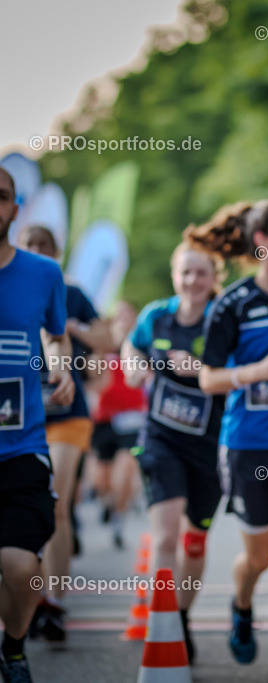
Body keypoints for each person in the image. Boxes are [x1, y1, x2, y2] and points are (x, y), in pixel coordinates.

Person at [193, 199, 268, 683]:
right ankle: (241, 602)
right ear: (261, 241)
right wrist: (255, 373)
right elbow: (208, 380)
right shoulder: (234, 304)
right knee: (258, 556)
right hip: (247, 446)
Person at [123, 238, 225, 663]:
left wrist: (201, 371)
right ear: (174, 275)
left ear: (214, 278)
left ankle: (181, 616)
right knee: (165, 535)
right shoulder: (156, 316)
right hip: (161, 439)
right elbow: (131, 348)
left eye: (201, 272)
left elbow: (239, 372)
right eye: (185, 272)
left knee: (195, 543)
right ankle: (161, 624)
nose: (192, 281)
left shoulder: (223, 318)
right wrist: (134, 365)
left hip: (209, 445)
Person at [17, 225, 116, 642]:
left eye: (45, 245)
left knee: (54, 495)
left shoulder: (70, 293)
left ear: (55, 252)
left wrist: (68, 328)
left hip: (66, 411)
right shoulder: (11, 290)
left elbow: (107, 338)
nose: (38, 251)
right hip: (18, 414)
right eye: (31, 245)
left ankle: (54, 600)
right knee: (22, 507)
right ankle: (28, 594)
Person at [0, 167, 74, 683]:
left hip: (21, 444)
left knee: (22, 567)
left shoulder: (43, 274)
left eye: (1, 197)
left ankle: (14, 646)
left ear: (15, 208)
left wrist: (59, 363)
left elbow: (56, 335)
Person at [88, 301, 146, 549]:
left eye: (127, 315)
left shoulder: (139, 344)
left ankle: (119, 519)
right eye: (118, 316)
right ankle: (109, 502)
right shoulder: (101, 349)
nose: (123, 320)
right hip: (104, 419)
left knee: (126, 469)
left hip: (133, 417)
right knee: (101, 480)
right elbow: (94, 382)